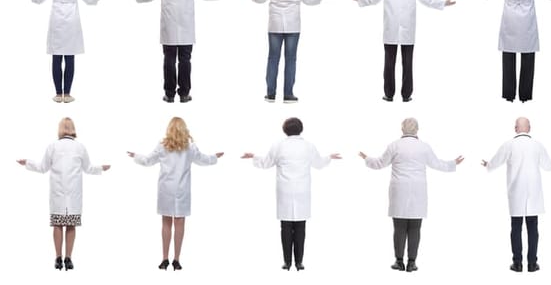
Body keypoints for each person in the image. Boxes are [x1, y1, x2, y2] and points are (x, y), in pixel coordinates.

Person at [360, 117, 464, 273]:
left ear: (402, 129)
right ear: (417, 129)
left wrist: (366, 158)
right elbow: (437, 164)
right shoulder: (424, 147)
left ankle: (399, 261)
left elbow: (380, 163)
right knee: (415, 228)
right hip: (418, 191)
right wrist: (452, 163)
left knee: (399, 228)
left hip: (399, 190)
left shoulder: (394, 146)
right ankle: (412, 263)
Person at [14, 0, 117, 103]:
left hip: (56, 20)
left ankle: (57, 94)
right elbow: (89, 0)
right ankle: (67, 94)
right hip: (72, 21)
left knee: (56, 57)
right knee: (69, 57)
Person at [352, 0, 455, 103]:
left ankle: (389, 94)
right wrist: (443, 3)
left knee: (389, 63)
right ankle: (406, 96)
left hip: (390, 28)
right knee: (407, 63)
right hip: (408, 28)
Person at [242, 117, 342, 271]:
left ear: (285, 130)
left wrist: (254, 157)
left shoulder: (278, 145)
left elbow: (266, 163)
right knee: (301, 227)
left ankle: (287, 262)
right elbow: (319, 163)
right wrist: (329, 157)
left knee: (285, 227)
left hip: (285, 190)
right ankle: (299, 263)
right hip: (302, 191)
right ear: (300, 129)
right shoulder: (308, 146)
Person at [132, 0, 227, 104]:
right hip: (186, 28)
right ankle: (184, 94)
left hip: (168, 27)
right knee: (185, 61)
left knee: (169, 60)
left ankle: (169, 95)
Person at [242, 0, 337, 104]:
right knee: (291, 59)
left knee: (273, 58)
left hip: (275, 24)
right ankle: (288, 95)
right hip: (293, 24)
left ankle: (270, 94)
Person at [128, 117, 224, 271]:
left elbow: (148, 160)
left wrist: (136, 156)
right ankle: (177, 260)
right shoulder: (190, 146)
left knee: (166, 223)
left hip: (166, 189)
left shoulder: (163, 145)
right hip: (182, 190)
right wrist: (214, 157)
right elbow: (203, 160)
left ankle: (164, 259)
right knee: (179, 224)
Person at [16, 118, 111, 271]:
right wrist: (102, 168)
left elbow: (42, 167)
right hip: (74, 194)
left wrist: (27, 162)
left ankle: (58, 258)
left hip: (57, 193)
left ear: (60, 129)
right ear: (73, 129)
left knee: (58, 224)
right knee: (71, 225)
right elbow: (88, 168)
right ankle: (68, 258)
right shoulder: (80, 147)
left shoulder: (52, 146)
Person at [483, 117, 551, 272]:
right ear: (529, 128)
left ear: (515, 128)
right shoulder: (537, 145)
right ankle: (532, 263)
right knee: (533, 228)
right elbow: (547, 165)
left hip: (516, 192)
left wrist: (488, 165)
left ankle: (517, 263)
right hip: (534, 194)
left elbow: (496, 161)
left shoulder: (509, 145)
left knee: (516, 227)